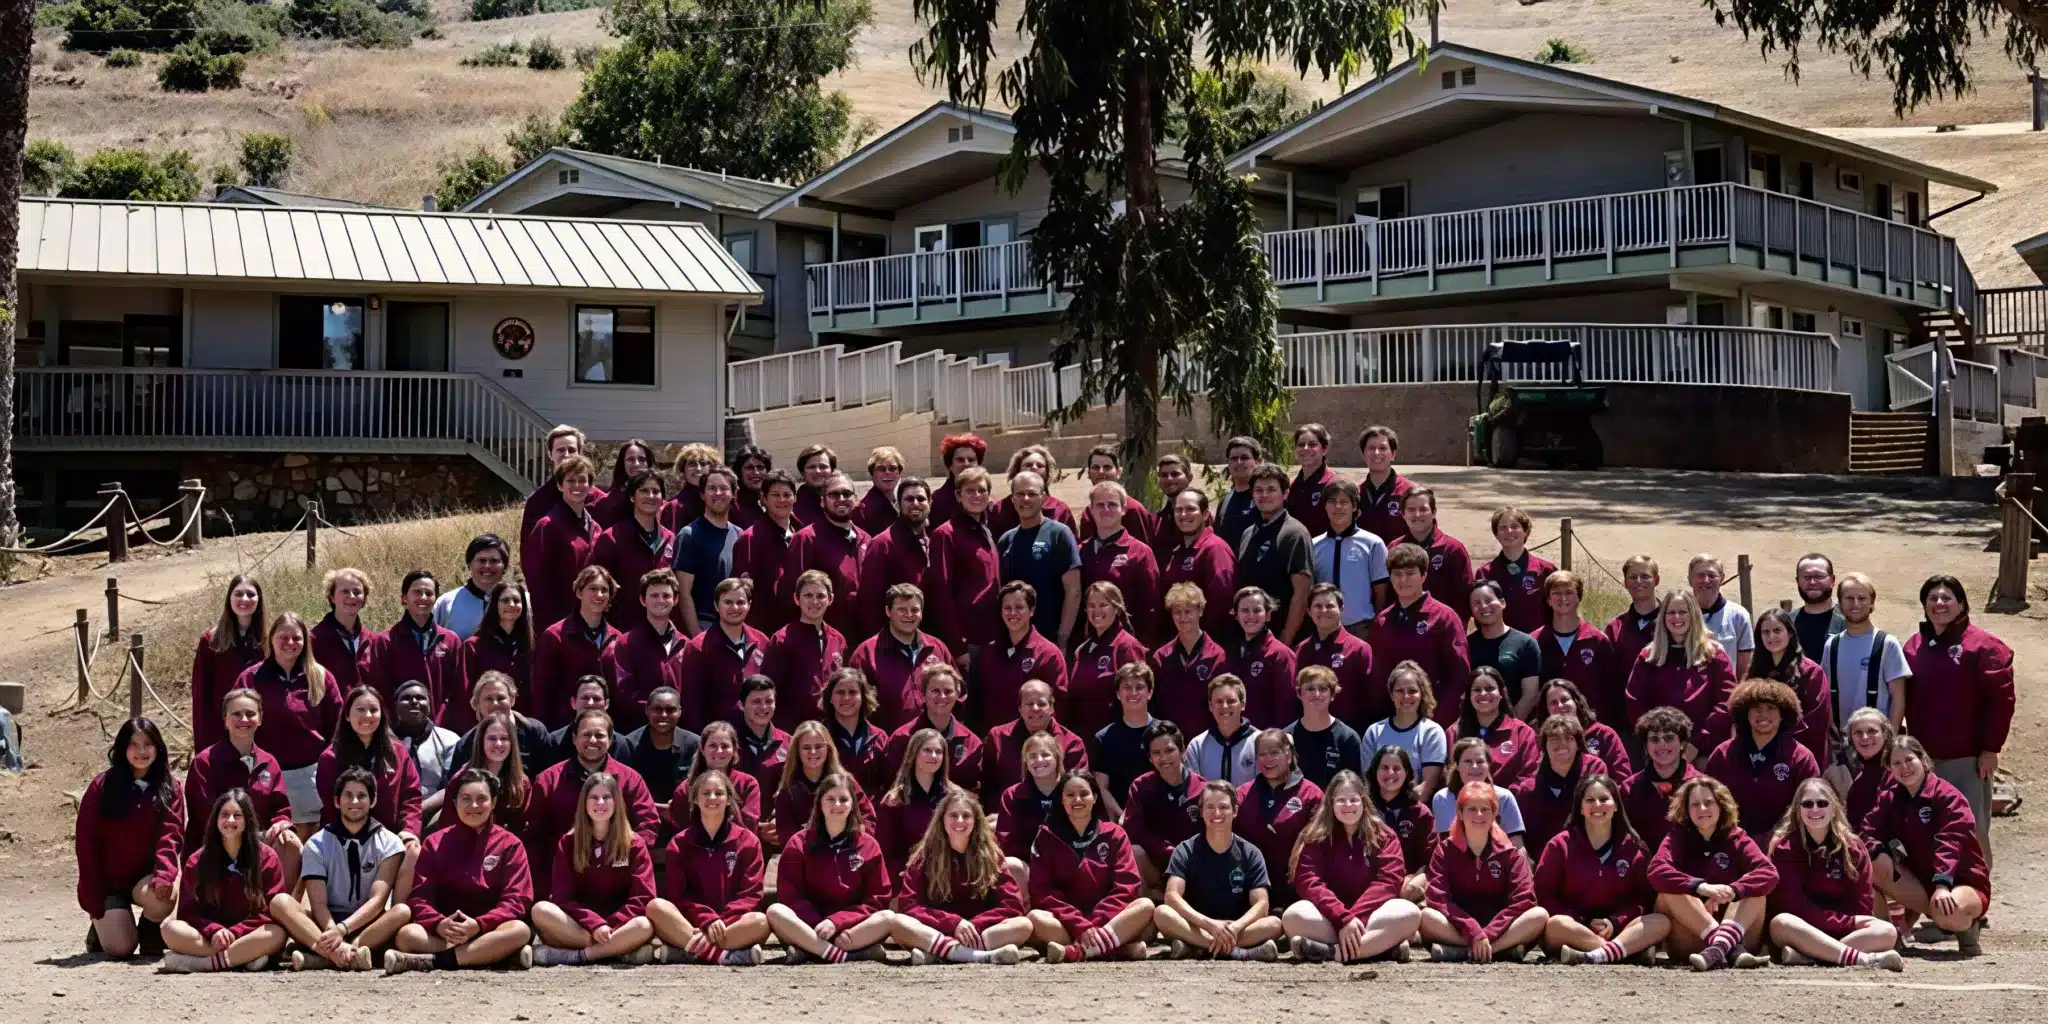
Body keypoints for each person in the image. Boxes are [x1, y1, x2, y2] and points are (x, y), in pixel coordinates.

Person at [1901, 573, 2013, 859]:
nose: (1939, 603)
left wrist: (1990, 749)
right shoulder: (1913, 646)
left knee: (1971, 830)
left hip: (1967, 759)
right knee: (1930, 829)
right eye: (1932, 598)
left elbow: (2001, 702)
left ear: (1961, 604)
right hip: (1924, 758)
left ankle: (1979, 884)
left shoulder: (1984, 646)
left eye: (1946, 598)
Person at [385, 769, 535, 974]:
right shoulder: (434, 843)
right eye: (466, 799)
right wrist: (439, 924)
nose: (474, 806)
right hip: (446, 933)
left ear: (493, 802)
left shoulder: (510, 844)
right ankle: (492, 955)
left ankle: (434, 961)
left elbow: (517, 900)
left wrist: (480, 924)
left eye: (481, 799)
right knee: (407, 935)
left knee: (520, 930)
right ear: (455, 803)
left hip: (490, 930)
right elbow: (420, 898)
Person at [271, 767, 414, 971]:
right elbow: (318, 904)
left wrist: (343, 929)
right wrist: (333, 930)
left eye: (361, 796)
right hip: (325, 923)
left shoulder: (390, 843)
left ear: (373, 801)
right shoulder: (317, 844)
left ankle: (335, 954)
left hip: (368, 924)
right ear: (337, 801)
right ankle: (342, 954)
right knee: (281, 902)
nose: (354, 802)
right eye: (348, 795)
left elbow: (377, 901)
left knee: (401, 911)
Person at [1864, 735, 1990, 956]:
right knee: (1870, 863)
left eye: (1909, 760)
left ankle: (1968, 927)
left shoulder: (1948, 796)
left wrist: (1942, 884)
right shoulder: (1890, 798)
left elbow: (1951, 841)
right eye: (1896, 763)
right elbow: (1867, 832)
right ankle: (1890, 936)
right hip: (1923, 884)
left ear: (1923, 760)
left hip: (1961, 882)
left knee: (1948, 913)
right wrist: (1880, 850)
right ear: (1890, 769)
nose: (1904, 768)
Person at [1285, 769, 1424, 963]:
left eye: (1354, 800)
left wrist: (1353, 919)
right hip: (1330, 919)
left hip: (1372, 917)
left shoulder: (1384, 835)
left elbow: (1389, 881)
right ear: (1330, 803)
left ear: (1364, 802)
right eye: (1341, 800)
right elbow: (1308, 881)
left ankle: (1332, 952)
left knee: (1410, 913)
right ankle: (1380, 949)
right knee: (1292, 916)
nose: (1348, 805)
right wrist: (1342, 918)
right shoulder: (1315, 836)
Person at [1767, 777, 1904, 971]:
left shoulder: (1853, 847)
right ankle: (1864, 960)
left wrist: (1845, 924)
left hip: (1843, 932)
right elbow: (1793, 905)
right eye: (1807, 804)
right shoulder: (1784, 848)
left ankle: (1813, 955)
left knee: (1887, 931)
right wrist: (1845, 922)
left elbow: (1862, 903)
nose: (1815, 809)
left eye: (1822, 803)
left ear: (1834, 809)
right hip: (1802, 929)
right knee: (1781, 923)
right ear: (1798, 810)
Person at [75, 718, 183, 957]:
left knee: (167, 893)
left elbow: (171, 836)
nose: (141, 751)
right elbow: (86, 844)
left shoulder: (171, 787)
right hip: (108, 884)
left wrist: (164, 875)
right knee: (122, 948)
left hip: (144, 879)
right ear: (122, 748)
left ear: (158, 748)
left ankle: (149, 932)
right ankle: (101, 930)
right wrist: (93, 897)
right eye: (133, 744)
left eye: (148, 744)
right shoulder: (101, 786)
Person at [1534, 774, 1668, 966]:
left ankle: (1598, 954)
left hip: (1620, 930)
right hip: (1575, 929)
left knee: (1661, 922)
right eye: (1590, 800)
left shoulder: (1634, 847)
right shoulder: (1559, 845)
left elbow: (1643, 900)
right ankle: (1620, 952)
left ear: (1616, 806)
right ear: (1581, 808)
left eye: (1604, 799)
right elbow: (1545, 895)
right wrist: (1583, 922)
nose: (1597, 805)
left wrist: (1614, 922)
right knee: (1556, 924)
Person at [1647, 775, 1778, 971]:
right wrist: (1701, 887)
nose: (1702, 809)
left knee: (1754, 889)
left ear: (1721, 805)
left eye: (1708, 803)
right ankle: (1726, 947)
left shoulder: (1737, 837)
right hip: (1691, 941)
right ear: (1686, 809)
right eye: (1695, 804)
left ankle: (1720, 947)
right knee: (1669, 892)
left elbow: (1769, 873)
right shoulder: (1677, 837)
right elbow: (1656, 870)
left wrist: (1733, 890)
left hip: (1740, 934)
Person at [527, 709, 660, 899]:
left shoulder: (630, 780)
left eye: (599, 735)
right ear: (574, 739)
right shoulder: (547, 781)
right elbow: (536, 837)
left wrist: (623, 857)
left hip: (617, 883)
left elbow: (647, 825)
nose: (592, 740)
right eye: (586, 734)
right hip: (564, 884)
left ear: (611, 740)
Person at [530, 772, 660, 966]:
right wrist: (594, 924)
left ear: (616, 802)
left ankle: (579, 956)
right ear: (584, 803)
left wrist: (610, 924)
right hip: (579, 926)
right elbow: (561, 897)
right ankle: (617, 951)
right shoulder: (568, 842)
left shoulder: (634, 843)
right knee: (540, 910)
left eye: (606, 797)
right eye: (594, 797)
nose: (600, 803)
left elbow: (643, 897)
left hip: (620, 925)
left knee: (644, 925)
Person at [890, 787, 1031, 964]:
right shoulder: (923, 856)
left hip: (977, 932)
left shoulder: (991, 856)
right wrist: (953, 923)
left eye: (966, 816)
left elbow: (1012, 905)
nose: (960, 821)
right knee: (897, 923)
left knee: (1023, 925)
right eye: (953, 815)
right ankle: (980, 956)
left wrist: (973, 925)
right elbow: (908, 905)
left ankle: (941, 953)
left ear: (976, 821)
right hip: (935, 929)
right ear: (942, 819)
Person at [767, 772, 897, 963]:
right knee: (775, 911)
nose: (837, 805)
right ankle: (843, 954)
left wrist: (837, 922)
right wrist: (818, 923)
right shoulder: (799, 843)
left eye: (843, 799)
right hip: (809, 928)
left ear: (853, 804)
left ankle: (811, 951)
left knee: (888, 917)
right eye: (830, 799)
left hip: (851, 930)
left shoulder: (869, 845)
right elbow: (790, 896)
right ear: (820, 803)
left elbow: (877, 899)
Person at [1029, 770, 1157, 962]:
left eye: (1084, 794)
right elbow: (1042, 892)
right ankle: (1115, 950)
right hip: (1067, 924)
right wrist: (1079, 925)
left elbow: (1127, 886)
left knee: (1145, 906)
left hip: (1109, 921)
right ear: (1061, 799)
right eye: (1070, 795)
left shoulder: (1114, 834)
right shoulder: (1046, 837)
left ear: (1095, 797)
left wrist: (1097, 922)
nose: (1077, 800)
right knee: (1036, 917)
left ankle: (1078, 952)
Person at [648, 769, 771, 966]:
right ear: (695, 799)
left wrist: (720, 921)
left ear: (729, 799)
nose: (712, 798)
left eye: (719, 793)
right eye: (705, 793)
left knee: (761, 922)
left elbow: (751, 894)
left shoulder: (748, 841)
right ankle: (723, 956)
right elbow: (677, 896)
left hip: (730, 925)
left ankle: (688, 952)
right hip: (690, 924)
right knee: (656, 907)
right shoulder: (679, 843)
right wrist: (707, 919)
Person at [160, 790, 290, 973]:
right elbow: (187, 912)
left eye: (237, 815)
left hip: (251, 934)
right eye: (224, 815)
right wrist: (214, 930)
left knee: (277, 933)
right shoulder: (197, 861)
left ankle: (205, 963)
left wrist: (236, 932)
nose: (230, 820)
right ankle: (243, 958)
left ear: (248, 820)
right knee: (170, 929)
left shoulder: (268, 857)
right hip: (210, 938)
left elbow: (270, 910)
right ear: (215, 820)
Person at [1152, 781, 1284, 960]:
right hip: (1198, 925)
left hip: (1236, 928)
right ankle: (1237, 952)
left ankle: (1198, 948)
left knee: (1274, 924)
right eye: (1210, 807)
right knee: (1162, 913)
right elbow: (1171, 896)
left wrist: (1235, 927)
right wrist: (1210, 925)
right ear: (1201, 811)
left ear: (1235, 811)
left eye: (1223, 807)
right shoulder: (1185, 850)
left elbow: (1261, 904)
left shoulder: (1251, 853)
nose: (1216, 813)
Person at [1420, 783, 1548, 962]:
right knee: (1426, 917)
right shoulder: (1444, 850)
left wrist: (1488, 933)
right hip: (1458, 928)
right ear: (1460, 813)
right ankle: (1497, 951)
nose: (1479, 815)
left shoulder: (1510, 853)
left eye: (1485, 809)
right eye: (1472, 809)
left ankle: (1475, 951)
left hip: (1500, 930)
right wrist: (1471, 929)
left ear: (1495, 814)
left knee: (1539, 915)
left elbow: (1523, 900)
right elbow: (1438, 899)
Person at [183, 689, 299, 885]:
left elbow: (280, 808)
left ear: (260, 719)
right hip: (215, 845)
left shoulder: (269, 762)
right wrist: (248, 835)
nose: (244, 719)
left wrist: (281, 823)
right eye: (236, 714)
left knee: (290, 843)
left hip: (259, 844)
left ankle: (278, 901)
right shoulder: (204, 762)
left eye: (250, 713)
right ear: (225, 720)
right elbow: (204, 813)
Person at [236, 611, 336, 831]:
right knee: (276, 840)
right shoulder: (251, 678)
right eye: (283, 637)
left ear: (305, 641)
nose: (289, 643)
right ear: (271, 638)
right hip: (267, 775)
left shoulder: (321, 677)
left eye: (296, 638)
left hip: (312, 776)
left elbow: (337, 726)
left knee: (312, 841)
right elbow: (236, 724)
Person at [1624, 588, 1737, 757]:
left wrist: (1697, 744)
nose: (1677, 617)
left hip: (1703, 753)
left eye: (1683, 612)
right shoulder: (1648, 656)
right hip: (1659, 752)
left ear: (1694, 615)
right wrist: (1658, 743)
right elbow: (1635, 703)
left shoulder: (1713, 654)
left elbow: (1726, 702)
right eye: (1671, 612)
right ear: (1663, 617)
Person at [1702, 679, 1820, 837]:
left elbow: (1811, 808)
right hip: (1731, 842)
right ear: (1746, 713)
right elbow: (1707, 801)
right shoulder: (1723, 754)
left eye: (1771, 708)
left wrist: (1779, 839)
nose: (1763, 714)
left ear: (1783, 715)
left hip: (1784, 843)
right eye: (1756, 708)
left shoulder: (1801, 758)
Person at [1368, 544, 1470, 727]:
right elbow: (1377, 676)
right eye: (1397, 574)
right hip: (1392, 721)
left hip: (1433, 720)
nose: (1403, 580)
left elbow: (1459, 673)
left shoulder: (1443, 617)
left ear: (1423, 575)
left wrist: (1439, 720)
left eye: (1410, 573)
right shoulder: (1382, 621)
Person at [317, 686, 424, 843]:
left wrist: (409, 830)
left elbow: (411, 796)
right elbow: (330, 807)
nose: (367, 715)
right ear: (347, 715)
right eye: (360, 710)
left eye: (373, 710)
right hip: (344, 840)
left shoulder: (397, 752)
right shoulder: (330, 758)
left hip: (391, 840)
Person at [359, 571, 462, 726]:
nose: (423, 597)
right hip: (399, 728)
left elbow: (457, 688)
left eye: (429, 593)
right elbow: (380, 689)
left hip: (441, 728)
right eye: (417, 592)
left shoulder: (450, 640)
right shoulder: (385, 641)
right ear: (404, 598)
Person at [1234, 729, 1322, 907]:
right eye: (1262, 754)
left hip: (1295, 891)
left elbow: (1320, 845)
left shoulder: (1311, 794)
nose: (1268, 759)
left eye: (1274, 753)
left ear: (1288, 756)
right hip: (1249, 889)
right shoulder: (1242, 793)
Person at [850, 584, 953, 733]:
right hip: (888, 741)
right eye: (901, 610)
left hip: (934, 741)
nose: (909, 615)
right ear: (888, 611)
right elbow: (853, 704)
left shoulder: (937, 648)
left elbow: (957, 693)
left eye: (915, 610)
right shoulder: (866, 653)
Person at [996, 471, 1083, 645]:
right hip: (1014, 640)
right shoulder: (1006, 540)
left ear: (1043, 498)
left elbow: (1073, 591)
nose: (1025, 499)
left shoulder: (1059, 534)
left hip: (1051, 639)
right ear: (1012, 499)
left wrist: (1063, 638)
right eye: (1020, 494)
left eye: (1032, 494)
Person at [1232, 463, 1314, 644]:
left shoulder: (1295, 534)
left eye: (1271, 490)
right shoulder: (1248, 533)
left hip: (1280, 638)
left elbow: (1301, 593)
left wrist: (1286, 637)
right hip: (1249, 635)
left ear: (1285, 494)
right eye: (1258, 490)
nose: (1264, 495)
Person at [531, 567, 621, 731]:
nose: (599, 595)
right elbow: (542, 693)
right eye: (593, 589)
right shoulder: (554, 636)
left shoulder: (618, 639)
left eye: (604, 590)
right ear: (579, 593)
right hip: (563, 730)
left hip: (604, 731)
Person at [926, 465, 1003, 658]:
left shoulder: (986, 531)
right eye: (970, 490)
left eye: (982, 490)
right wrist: (957, 646)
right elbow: (940, 592)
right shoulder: (945, 534)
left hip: (992, 636)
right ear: (958, 495)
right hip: (966, 643)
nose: (976, 495)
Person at [1120, 721, 1205, 894]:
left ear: (1183, 751)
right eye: (1156, 753)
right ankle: (1150, 899)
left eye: (1169, 750)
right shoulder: (1141, 786)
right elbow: (1134, 830)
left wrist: (1184, 855)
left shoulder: (1203, 789)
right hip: (1156, 864)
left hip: (1193, 864)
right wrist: (1167, 850)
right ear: (1149, 758)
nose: (1163, 758)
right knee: (1134, 852)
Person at [676, 577, 770, 733]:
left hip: (756, 734)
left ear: (749, 605)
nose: (735, 607)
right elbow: (692, 704)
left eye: (740, 602)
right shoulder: (698, 648)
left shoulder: (762, 641)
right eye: (728, 602)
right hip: (718, 738)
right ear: (716, 605)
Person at [785, 471, 872, 638]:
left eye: (846, 493)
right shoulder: (806, 539)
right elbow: (791, 593)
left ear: (856, 499)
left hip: (861, 635)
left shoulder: (866, 539)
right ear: (822, 501)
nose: (841, 499)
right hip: (820, 638)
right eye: (834, 494)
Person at [603, 569, 691, 733]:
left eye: (666, 596)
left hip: (679, 732)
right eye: (654, 595)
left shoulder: (686, 645)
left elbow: (693, 692)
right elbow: (623, 692)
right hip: (638, 733)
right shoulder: (625, 644)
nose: (661, 600)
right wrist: (659, 712)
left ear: (676, 600)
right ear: (643, 600)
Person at [1535, 571, 1623, 731]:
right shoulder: (1534, 642)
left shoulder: (1597, 640)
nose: (1563, 598)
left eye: (1569, 592)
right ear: (1548, 599)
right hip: (1548, 730)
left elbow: (1611, 692)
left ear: (1579, 597)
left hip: (1590, 728)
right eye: (1556, 593)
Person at [761, 571, 849, 732]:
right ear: (796, 599)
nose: (815, 601)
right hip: (792, 729)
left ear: (830, 599)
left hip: (830, 729)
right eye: (808, 595)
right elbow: (769, 689)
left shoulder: (838, 640)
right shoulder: (782, 640)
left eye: (820, 596)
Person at [982, 678, 1089, 810]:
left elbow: (1078, 789)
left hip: (1057, 815)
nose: (1035, 708)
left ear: (1052, 707)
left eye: (1041, 704)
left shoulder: (1072, 743)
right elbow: (987, 786)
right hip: (1008, 813)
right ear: (1020, 708)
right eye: (1029, 704)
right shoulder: (997, 737)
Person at [589, 470, 675, 633]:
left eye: (656, 491)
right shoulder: (611, 538)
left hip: (661, 629)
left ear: (663, 498)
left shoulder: (671, 539)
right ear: (632, 497)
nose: (650, 496)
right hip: (622, 630)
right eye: (644, 491)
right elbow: (598, 587)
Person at [977, 582, 1069, 733]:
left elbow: (1058, 705)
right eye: (1007, 608)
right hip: (995, 740)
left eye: (1019, 607)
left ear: (1031, 610)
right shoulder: (989, 652)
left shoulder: (1049, 654)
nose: (1013, 613)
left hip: (1034, 741)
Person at [524, 455, 603, 630]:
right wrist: (553, 625)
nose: (577, 485)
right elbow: (537, 582)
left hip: (592, 619)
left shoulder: (596, 529)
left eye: (582, 480)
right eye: (570, 480)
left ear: (590, 485)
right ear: (560, 485)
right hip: (558, 624)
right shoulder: (547, 526)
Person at [773, 721, 878, 852]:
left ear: (828, 749)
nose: (813, 752)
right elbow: (786, 836)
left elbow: (868, 820)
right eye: (806, 747)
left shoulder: (846, 782)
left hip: (846, 853)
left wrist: (849, 839)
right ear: (797, 751)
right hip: (808, 857)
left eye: (818, 746)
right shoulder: (788, 790)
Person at [1746, 608, 1832, 767]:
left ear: (1790, 633)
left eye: (1777, 631)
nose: (1771, 637)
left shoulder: (1811, 672)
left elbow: (1816, 720)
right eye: (1765, 632)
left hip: (1798, 756)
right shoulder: (1755, 671)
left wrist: (1777, 741)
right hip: (1759, 754)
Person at [190, 575, 267, 752]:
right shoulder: (211, 641)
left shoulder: (269, 639)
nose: (244, 599)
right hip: (222, 729)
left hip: (259, 729)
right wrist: (203, 745)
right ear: (229, 598)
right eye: (238, 594)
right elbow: (201, 697)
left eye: (250, 594)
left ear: (259, 599)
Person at [1079, 482, 1162, 644]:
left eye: (1112, 505)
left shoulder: (1140, 552)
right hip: (1088, 643)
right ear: (1091, 509)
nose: (1106, 509)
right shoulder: (1081, 551)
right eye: (1100, 505)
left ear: (1124, 509)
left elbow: (1152, 606)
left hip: (1127, 643)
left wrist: (1143, 645)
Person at [1510, 715, 1608, 851]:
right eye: (1554, 739)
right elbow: (1518, 833)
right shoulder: (1528, 789)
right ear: (1544, 746)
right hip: (1541, 858)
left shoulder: (1594, 769)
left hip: (1588, 854)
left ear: (1578, 744)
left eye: (1568, 738)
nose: (1562, 744)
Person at [883, 661, 983, 794]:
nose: (942, 696)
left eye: (948, 691)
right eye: (935, 691)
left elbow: (974, 793)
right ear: (923, 694)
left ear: (957, 695)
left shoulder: (972, 744)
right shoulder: (902, 738)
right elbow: (890, 788)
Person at [854, 474, 933, 640]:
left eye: (921, 499)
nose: (915, 503)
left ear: (930, 503)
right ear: (898, 504)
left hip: (925, 637)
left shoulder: (932, 541)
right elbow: (869, 602)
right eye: (909, 499)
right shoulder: (882, 544)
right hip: (892, 639)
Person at [617, 687, 703, 837]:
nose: (664, 715)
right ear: (647, 710)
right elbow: (623, 791)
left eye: (670, 710)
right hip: (639, 822)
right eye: (657, 709)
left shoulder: (695, 745)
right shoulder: (629, 745)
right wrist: (654, 808)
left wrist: (677, 807)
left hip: (685, 824)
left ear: (680, 712)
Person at [1068, 582, 1149, 740]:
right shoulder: (1082, 650)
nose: (1096, 611)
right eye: (1091, 606)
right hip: (1085, 738)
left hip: (1117, 738)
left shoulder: (1127, 646)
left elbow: (1138, 698)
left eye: (1103, 605)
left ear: (1117, 609)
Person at [1310, 479, 1389, 635]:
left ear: (1354, 506)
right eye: (1332, 501)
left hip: (1361, 627)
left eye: (1344, 502)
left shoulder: (1372, 543)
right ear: (1325, 506)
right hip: (1323, 627)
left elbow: (1381, 591)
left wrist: (1376, 624)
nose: (1338, 506)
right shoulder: (1314, 545)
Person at [672, 466, 744, 636]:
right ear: (702, 495)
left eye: (724, 488)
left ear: (733, 494)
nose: (718, 493)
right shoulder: (690, 535)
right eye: (711, 488)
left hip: (735, 625)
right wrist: (696, 636)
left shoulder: (739, 534)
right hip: (705, 626)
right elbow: (684, 593)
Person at [1150, 582, 1229, 736]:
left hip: (1207, 738)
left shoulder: (1217, 656)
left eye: (1188, 611)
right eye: (1177, 612)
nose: (1183, 617)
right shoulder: (1160, 656)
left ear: (1200, 611)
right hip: (1170, 740)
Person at [875, 728, 954, 881]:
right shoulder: (894, 802)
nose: (933, 756)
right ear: (914, 753)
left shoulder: (954, 797)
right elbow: (886, 854)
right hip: (909, 879)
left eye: (938, 752)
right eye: (927, 750)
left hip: (950, 876)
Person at [1362, 662, 1449, 800]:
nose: (1406, 696)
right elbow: (1367, 782)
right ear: (1391, 694)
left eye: (1412, 691)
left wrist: (1403, 810)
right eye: (1400, 691)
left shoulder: (1432, 732)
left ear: (1422, 694)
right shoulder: (1374, 732)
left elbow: (1427, 785)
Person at [1159, 487, 1238, 636]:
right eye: (1178, 510)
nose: (1183, 514)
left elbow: (1221, 603)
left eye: (1190, 509)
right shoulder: (1178, 551)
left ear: (1205, 514)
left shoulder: (1215, 549)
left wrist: (1199, 640)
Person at [440, 711, 533, 836]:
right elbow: (446, 827)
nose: (498, 744)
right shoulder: (461, 779)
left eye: (504, 738)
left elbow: (523, 830)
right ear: (481, 741)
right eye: (492, 738)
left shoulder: (522, 782)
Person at [1447, 667, 1540, 788]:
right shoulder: (1454, 732)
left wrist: (1500, 796)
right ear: (1469, 696)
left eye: (1490, 688)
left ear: (1501, 694)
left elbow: (1529, 777)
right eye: (1477, 689)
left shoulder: (1522, 732)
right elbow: (1447, 774)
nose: (1483, 694)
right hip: (1463, 798)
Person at [733, 470, 801, 637]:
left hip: (799, 625)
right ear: (763, 498)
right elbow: (742, 590)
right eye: (775, 495)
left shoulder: (803, 536)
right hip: (764, 630)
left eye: (787, 495)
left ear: (795, 498)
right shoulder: (749, 538)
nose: (782, 500)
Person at [1620, 708, 1699, 851]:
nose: (1662, 745)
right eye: (1654, 739)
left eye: (1669, 738)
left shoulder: (1702, 787)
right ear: (1645, 747)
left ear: (1682, 743)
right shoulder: (1628, 789)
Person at [459, 583, 534, 728]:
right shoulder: (473, 646)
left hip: (522, 725)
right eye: (505, 600)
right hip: (485, 727)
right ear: (494, 604)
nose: (511, 604)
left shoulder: (529, 647)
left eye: (516, 600)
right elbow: (464, 693)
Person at [1471, 506, 1555, 634]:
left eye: (1515, 526)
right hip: (1500, 643)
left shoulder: (1546, 571)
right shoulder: (1485, 573)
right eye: (1502, 528)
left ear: (1525, 531)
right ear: (1496, 535)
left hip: (1538, 643)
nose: (1509, 531)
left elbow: (1557, 612)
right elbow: (1480, 615)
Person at [997, 732, 1069, 882]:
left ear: (1057, 757)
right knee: (1011, 865)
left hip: (1068, 863)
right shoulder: (1012, 795)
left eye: (1045, 754)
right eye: (1032, 756)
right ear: (1025, 761)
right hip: (1028, 867)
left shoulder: (1072, 790)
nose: (1039, 760)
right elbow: (1007, 842)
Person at [1429, 738, 1527, 846]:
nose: (1475, 766)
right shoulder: (1442, 798)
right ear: (1457, 765)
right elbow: (1446, 846)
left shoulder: (1504, 797)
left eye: (1480, 761)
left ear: (1488, 765)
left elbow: (1517, 845)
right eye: (1468, 761)